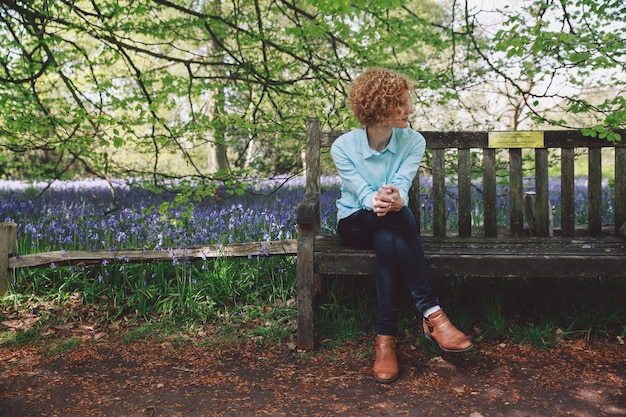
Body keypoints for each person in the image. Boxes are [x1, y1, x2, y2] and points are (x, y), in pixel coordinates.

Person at [330, 68, 473, 384]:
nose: (410, 110)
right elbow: (358, 190)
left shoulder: (413, 141)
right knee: (393, 220)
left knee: (388, 234)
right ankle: (432, 313)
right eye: (402, 104)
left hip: (389, 223)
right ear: (379, 107)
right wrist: (377, 201)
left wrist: (394, 198)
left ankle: (385, 340)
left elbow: (401, 183)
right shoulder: (342, 147)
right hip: (355, 223)